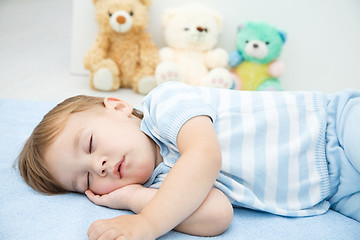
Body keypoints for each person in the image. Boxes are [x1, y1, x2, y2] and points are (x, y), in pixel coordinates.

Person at [18, 81, 360, 239]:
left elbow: (204, 155)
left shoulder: (165, 104)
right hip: (335, 194)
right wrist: (134, 198)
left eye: (90, 144)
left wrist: (148, 223)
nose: (99, 166)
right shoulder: (163, 189)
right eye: (87, 181)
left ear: (119, 108)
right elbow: (216, 216)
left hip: (334, 127)